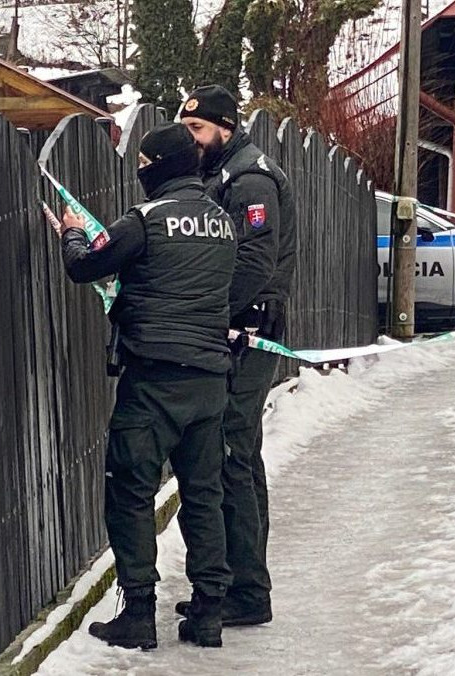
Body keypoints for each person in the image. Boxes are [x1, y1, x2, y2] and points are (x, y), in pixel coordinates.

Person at [58, 122, 237, 649]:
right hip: (209, 382)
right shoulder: (223, 223)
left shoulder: (145, 220)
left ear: (154, 167)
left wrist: (71, 231)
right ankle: (207, 612)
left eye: (140, 162)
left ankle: (138, 613)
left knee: (131, 493)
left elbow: (85, 266)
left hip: (153, 382)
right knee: (205, 495)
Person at [178, 84, 297, 627]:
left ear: (225, 127)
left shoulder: (250, 179)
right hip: (234, 332)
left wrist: (208, 311)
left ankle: (247, 592)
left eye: (198, 129)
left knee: (231, 454)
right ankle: (236, 582)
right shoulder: (226, 173)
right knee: (237, 455)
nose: (191, 138)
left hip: (246, 334)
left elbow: (253, 262)